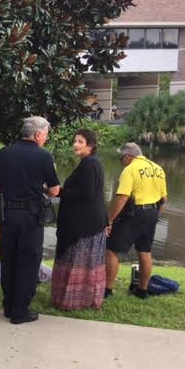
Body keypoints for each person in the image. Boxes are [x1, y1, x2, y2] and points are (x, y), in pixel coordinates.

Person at [0, 116, 60, 324]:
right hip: (31, 217)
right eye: (45, 134)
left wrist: (6, 187)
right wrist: (39, 188)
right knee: (28, 261)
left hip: (8, 215)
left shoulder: (4, 152)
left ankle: (8, 305)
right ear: (37, 134)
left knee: (8, 258)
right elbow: (54, 190)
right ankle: (20, 310)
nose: (45, 138)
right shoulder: (44, 156)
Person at [51, 129, 108, 310]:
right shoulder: (93, 162)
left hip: (84, 225)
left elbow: (86, 193)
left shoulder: (88, 164)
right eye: (75, 141)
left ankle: (74, 301)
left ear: (90, 145)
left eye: (80, 141)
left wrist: (59, 191)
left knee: (77, 261)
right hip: (92, 221)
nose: (75, 144)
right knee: (87, 263)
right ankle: (86, 299)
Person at [105, 142, 168, 299]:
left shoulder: (130, 169)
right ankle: (142, 290)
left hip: (135, 212)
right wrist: (155, 216)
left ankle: (107, 289)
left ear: (128, 157)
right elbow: (164, 199)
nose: (121, 162)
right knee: (145, 251)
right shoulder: (158, 168)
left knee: (111, 250)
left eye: (121, 159)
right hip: (153, 212)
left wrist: (109, 220)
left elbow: (122, 197)